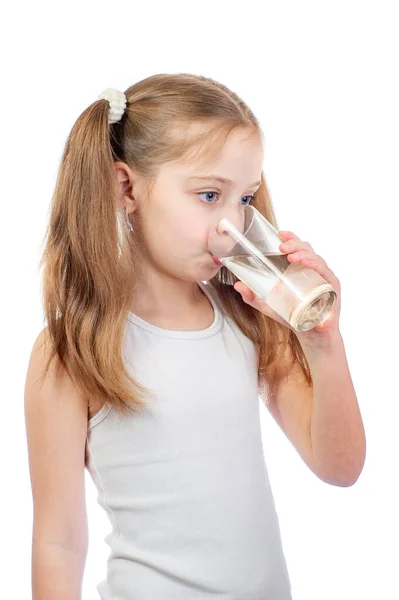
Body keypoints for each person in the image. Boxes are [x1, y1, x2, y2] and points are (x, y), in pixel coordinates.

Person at [24, 73, 365, 599]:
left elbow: (340, 467)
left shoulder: (250, 321)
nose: (231, 224)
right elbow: (59, 543)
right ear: (126, 187)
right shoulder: (74, 351)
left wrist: (323, 342)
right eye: (209, 195)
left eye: (244, 198)